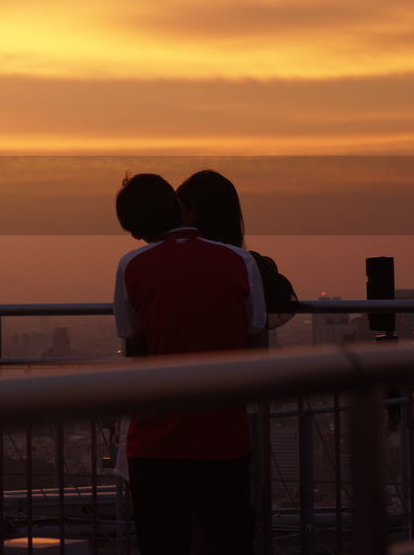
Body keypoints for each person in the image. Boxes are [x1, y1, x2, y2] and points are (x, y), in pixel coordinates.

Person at [113, 173, 265, 555]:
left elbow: (130, 331)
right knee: (230, 539)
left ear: (134, 229)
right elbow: (255, 325)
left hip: (155, 439)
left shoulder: (132, 265)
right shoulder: (240, 261)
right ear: (179, 208)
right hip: (223, 434)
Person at [175, 169, 297, 331]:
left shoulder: (163, 263)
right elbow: (287, 306)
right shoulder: (249, 265)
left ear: (190, 214)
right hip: (234, 353)